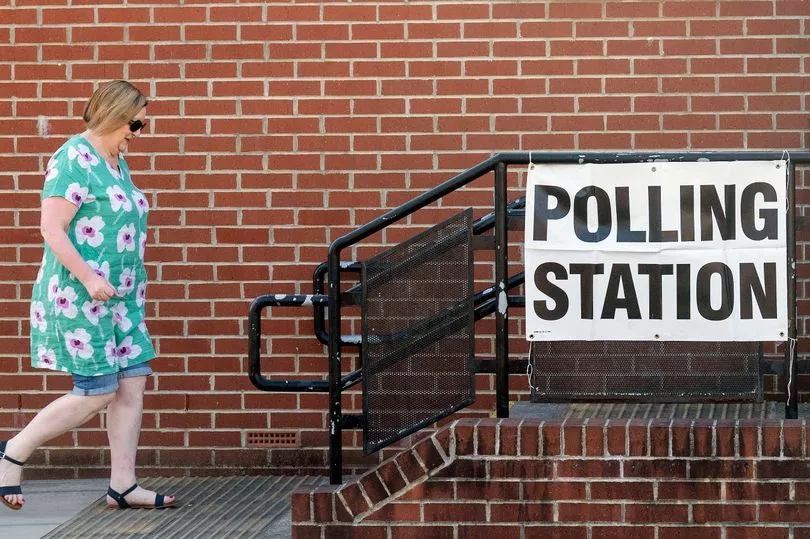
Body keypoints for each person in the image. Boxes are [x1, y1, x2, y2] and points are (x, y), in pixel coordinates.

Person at [0, 80, 176, 510]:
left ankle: (123, 485)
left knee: (132, 384)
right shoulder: (71, 159)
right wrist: (89, 278)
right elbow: (51, 229)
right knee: (97, 389)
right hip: (81, 295)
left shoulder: (116, 160)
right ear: (114, 114)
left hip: (123, 298)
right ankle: (11, 454)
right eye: (135, 123)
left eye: (142, 125)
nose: (138, 132)